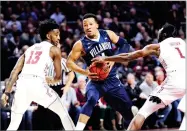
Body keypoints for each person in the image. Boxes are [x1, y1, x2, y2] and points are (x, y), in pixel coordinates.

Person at [92, 23, 185, 130]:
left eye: (160, 31)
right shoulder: (183, 43)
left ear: (163, 34)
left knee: (142, 113)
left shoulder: (156, 47)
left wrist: (106, 58)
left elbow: (128, 57)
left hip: (174, 81)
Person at [1, 19, 75, 130]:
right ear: (49, 35)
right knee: (63, 114)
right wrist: (52, 80)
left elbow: (15, 71)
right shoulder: (54, 49)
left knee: (14, 123)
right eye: (57, 34)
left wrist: (6, 92)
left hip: (22, 85)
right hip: (37, 84)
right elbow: (59, 77)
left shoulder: (30, 49)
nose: (59, 38)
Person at [66, 13, 134, 130]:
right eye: (85, 25)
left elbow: (125, 44)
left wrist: (113, 60)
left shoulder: (107, 34)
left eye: (90, 24)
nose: (88, 27)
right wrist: (85, 73)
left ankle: (130, 127)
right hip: (95, 80)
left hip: (112, 79)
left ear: (97, 25)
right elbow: (69, 62)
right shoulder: (80, 44)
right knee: (91, 99)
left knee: (127, 108)